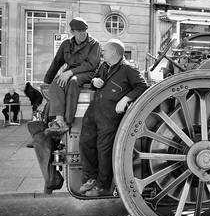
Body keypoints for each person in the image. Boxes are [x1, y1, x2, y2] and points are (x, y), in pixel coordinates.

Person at [79, 39, 148, 197]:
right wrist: (94, 81)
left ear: (114, 53)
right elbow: (94, 80)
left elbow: (142, 87)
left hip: (110, 116)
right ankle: (90, 178)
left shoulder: (128, 69)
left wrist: (125, 99)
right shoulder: (104, 66)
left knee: (104, 151)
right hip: (94, 112)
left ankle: (102, 186)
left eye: (104, 50)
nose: (102, 53)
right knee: (85, 143)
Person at [44, 17, 101, 133]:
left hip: (89, 73)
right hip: (70, 72)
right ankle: (59, 121)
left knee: (73, 81)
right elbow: (56, 62)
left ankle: (68, 121)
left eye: (84, 30)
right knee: (56, 82)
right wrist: (46, 81)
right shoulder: (66, 44)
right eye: (79, 31)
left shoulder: (94, 44)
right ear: (72, 32)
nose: (82, 34)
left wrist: (69, 73)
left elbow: (90, 65)